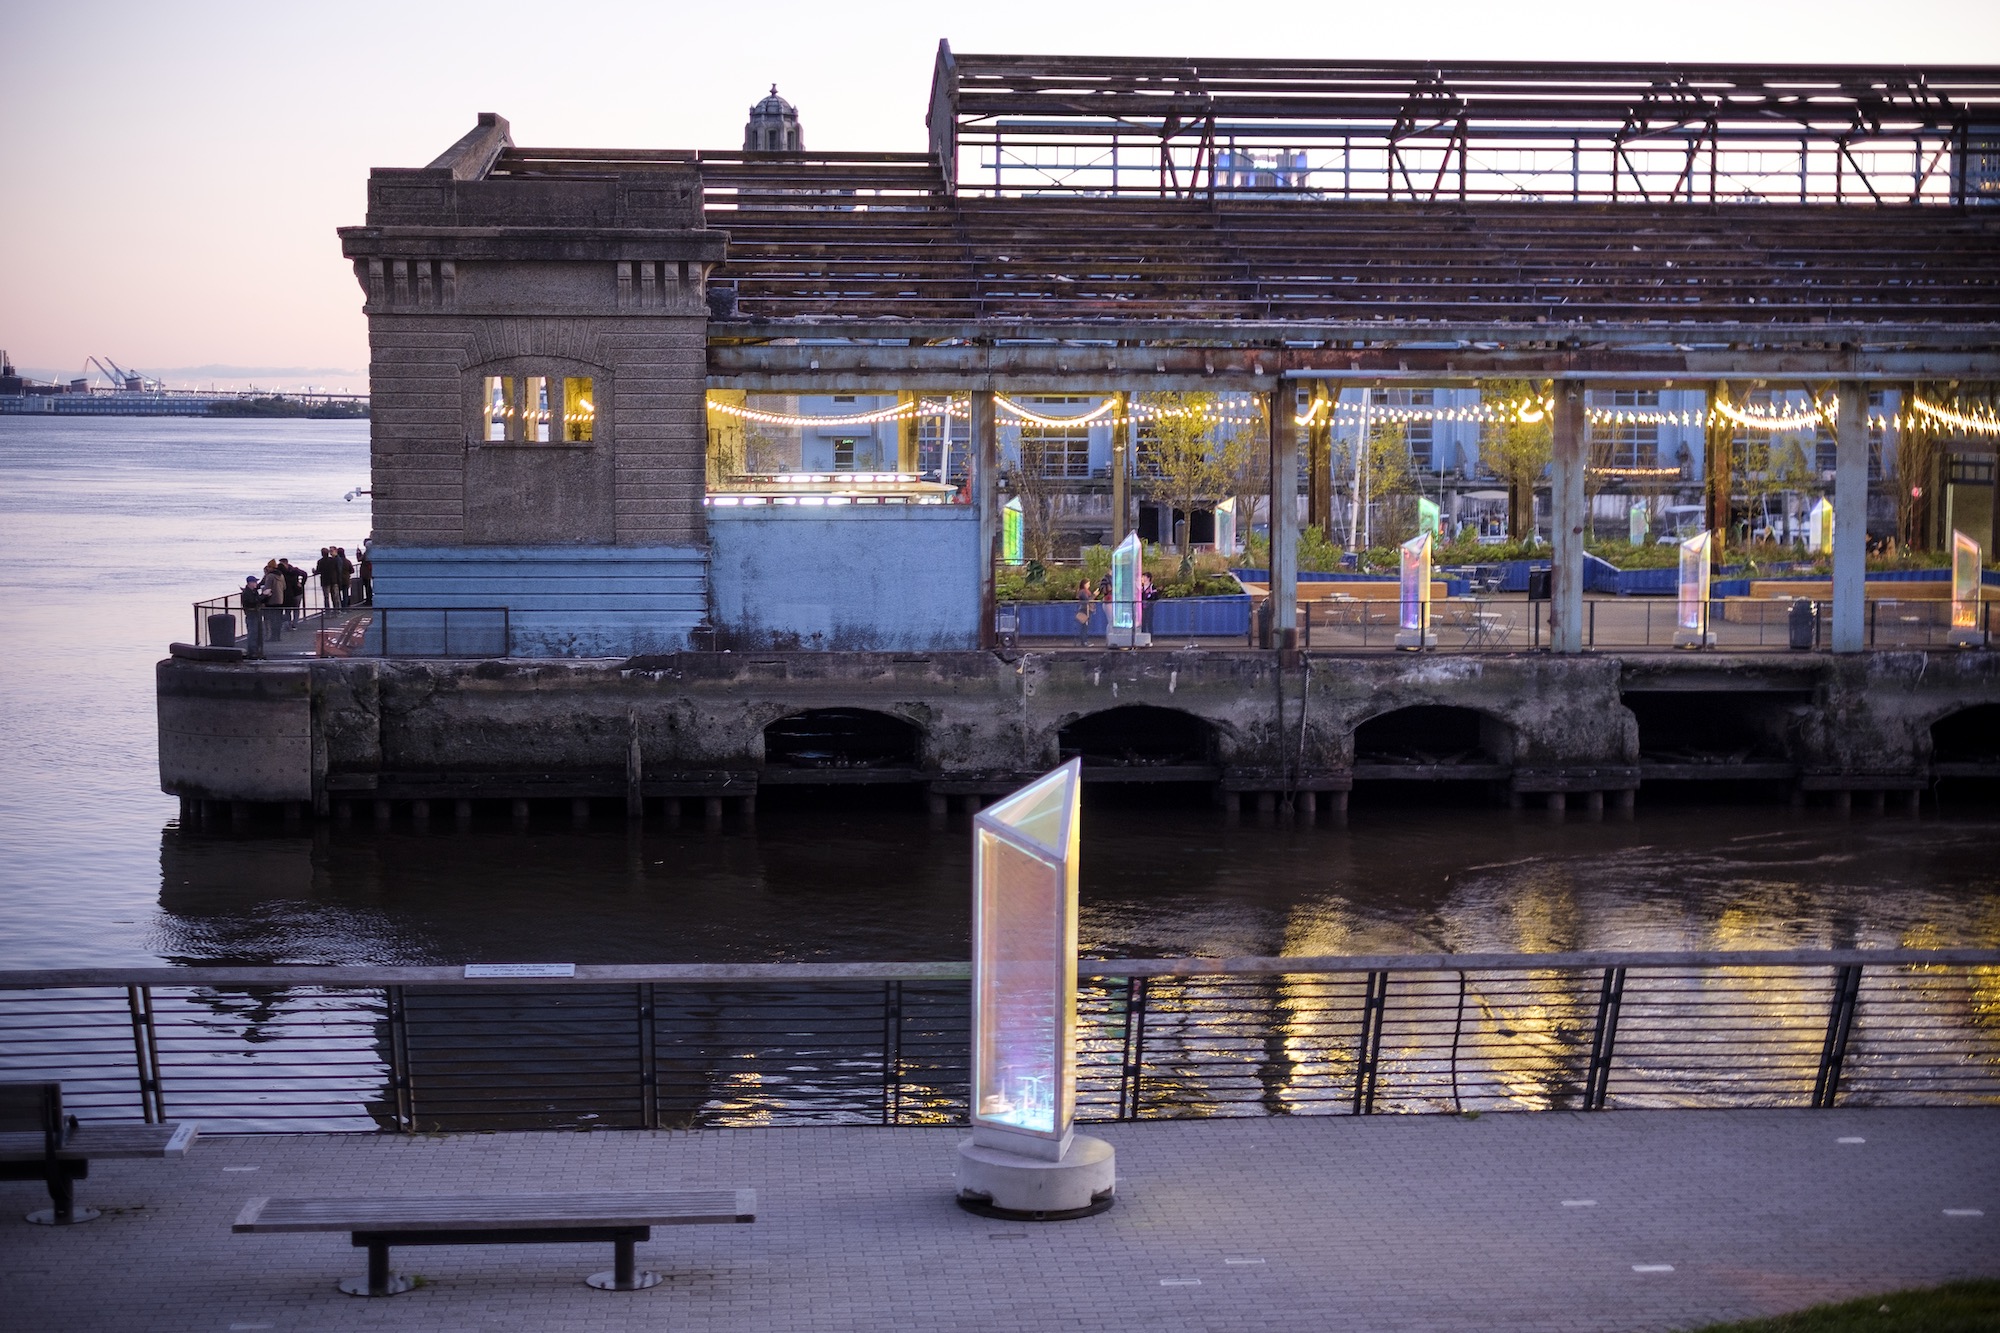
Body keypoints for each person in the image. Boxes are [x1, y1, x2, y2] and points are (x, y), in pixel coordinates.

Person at [239, 576, 266, 656]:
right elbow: (252, 602)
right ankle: (252, 652)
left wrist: (266, 596)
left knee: (259, 633)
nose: (256, 584)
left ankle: (258, 651)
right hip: (251, 614)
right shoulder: (246, 593)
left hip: (257, 613)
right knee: (253, 633)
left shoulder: (254, 591)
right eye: (255, 582)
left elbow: (258, 601)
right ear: (250, 583)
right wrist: (263, 595)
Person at [314, 547, 340, 611]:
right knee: (335, 596)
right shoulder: (333, 560)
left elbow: (318, 571)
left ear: (322, 554)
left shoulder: (320, 561)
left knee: (326, 597)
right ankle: (336, 610)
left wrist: (314, 571)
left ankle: (327, 610)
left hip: (325, 581)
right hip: (333, 580)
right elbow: (338, 569)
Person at [1074, 576, 1096, 647]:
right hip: (1084, 610)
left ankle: (1084, 641)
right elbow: (1087, 600)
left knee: (1085, 626)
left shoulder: (1083, 591)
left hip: (1086, 609)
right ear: (1084, 584)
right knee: (1084, 626)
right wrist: (1094, 595)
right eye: (1088, 584)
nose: (1089, 585)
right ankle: (1084, 642)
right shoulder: (1083, 592)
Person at [1140, 571, 1159, 635]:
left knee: (1149, 622)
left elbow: (1155, 597)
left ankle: (1150, 636)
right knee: (1143, 622)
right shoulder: (1141, 587)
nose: (1142, 578)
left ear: (1148, 578)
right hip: (1142, 608)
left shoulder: (1152, 586)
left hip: (1149, 607)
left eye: (1144, 577)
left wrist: (1150, 601)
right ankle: (1143, 635)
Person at [355, 542, 373, 606]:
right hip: (369, 572)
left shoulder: (367, 553)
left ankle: (369, 600)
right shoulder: (371, 552)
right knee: (368, 586)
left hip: (365, 572)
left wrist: (358, 553)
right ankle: (369, 599)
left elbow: (359, 559)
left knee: (367, 587)